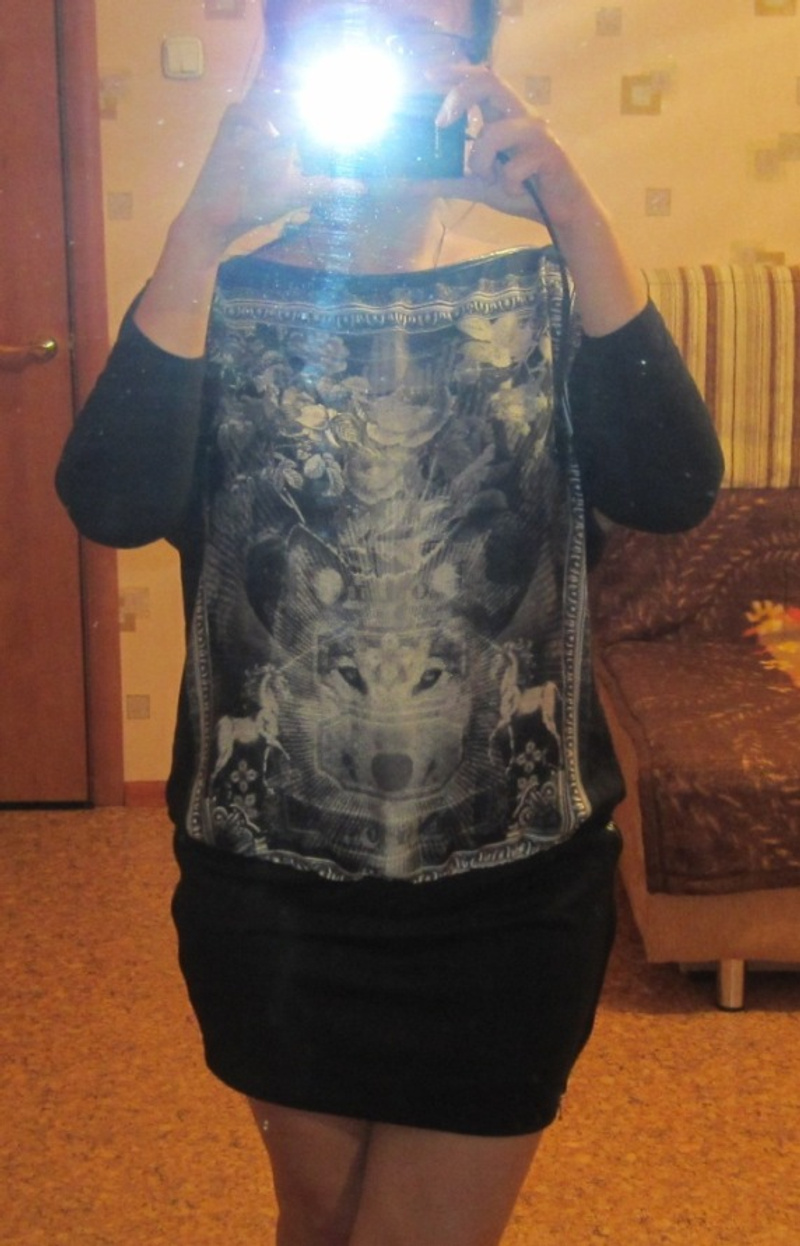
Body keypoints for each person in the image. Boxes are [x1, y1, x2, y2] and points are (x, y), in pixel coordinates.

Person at [56, 2, 724, 1243]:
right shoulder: (217, 290)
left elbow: (672, 487)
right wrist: (199, 229)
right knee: (316, 1219)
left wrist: (571, 209)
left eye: (415, 29)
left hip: (509, 898)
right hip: (272, 897)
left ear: (474, 61)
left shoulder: (548, 278)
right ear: (281, 60)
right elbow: (111, 500)